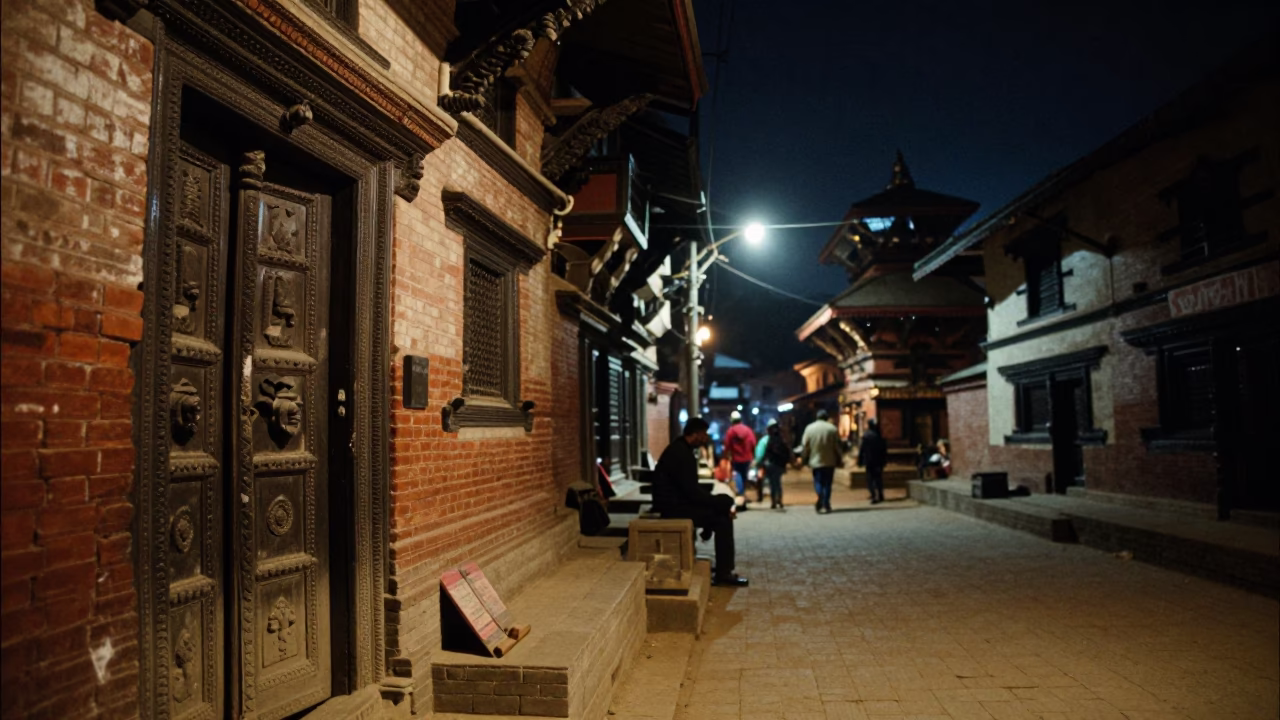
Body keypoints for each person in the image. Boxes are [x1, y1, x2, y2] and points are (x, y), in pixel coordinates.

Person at [652, 417, 748, 587]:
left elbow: (690, 490)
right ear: (694, 434)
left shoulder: (682, 449)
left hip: (676, 502)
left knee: (721, 508)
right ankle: (724, 573)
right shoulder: (681, 453)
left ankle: (722, 565)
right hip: (673, 507)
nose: (705, 438)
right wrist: (719, 502)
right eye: (703, 434)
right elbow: (691, 492)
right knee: (723, 519)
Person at [799, 409, 843, 513]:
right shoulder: (832, 429)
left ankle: (820, 497)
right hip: (829, 461)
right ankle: (826, 503)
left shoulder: (809, 428)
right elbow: (837, 446)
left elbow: (805, 446)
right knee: (828, 483)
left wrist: (804, 458)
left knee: (818, 481)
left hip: (815, 461)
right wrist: (840, 458)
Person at [753, 419, 792, 510]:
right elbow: (787, 452)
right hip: (779, 465)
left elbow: (764, 453)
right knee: (778, 483)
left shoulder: (767, 440)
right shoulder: (782, 439)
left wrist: (760, 462)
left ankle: (774, 501)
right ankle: (779, 500)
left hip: (771, 465)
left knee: (772, 483)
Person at [723, 410, 759, 504]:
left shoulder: (730, 431)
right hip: (747, 458)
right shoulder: (748, 430)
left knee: (737, 475)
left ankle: (741, 494)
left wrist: (725, 456)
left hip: (736, 458)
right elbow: (753, 443)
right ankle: (743, 494)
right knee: (744, 476)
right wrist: (754, 455)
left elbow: (727, 445)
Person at [858, 418, 889, 504]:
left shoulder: (866, 436)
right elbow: (884, 450)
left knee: (870, 479)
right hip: (878, 461)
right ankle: (880, 494)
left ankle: (873, 495)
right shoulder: (880, 436)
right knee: (878, 478)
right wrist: (885, 460)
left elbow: (862, 449)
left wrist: (860, 460)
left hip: (869, 460)